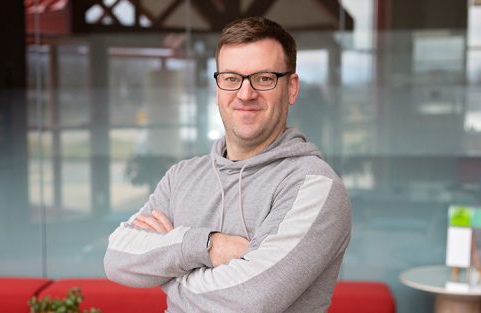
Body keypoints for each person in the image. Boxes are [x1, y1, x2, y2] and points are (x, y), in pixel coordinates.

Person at [104, 17, 351, 313]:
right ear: (219, 86)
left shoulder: (313, 185)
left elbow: (248, 300)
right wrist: (208, 246)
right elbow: (117, 258)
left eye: (264, 78)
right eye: (232, 78)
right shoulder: (182, 176)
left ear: (291, 88)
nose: (245, 94)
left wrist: (168, 275)